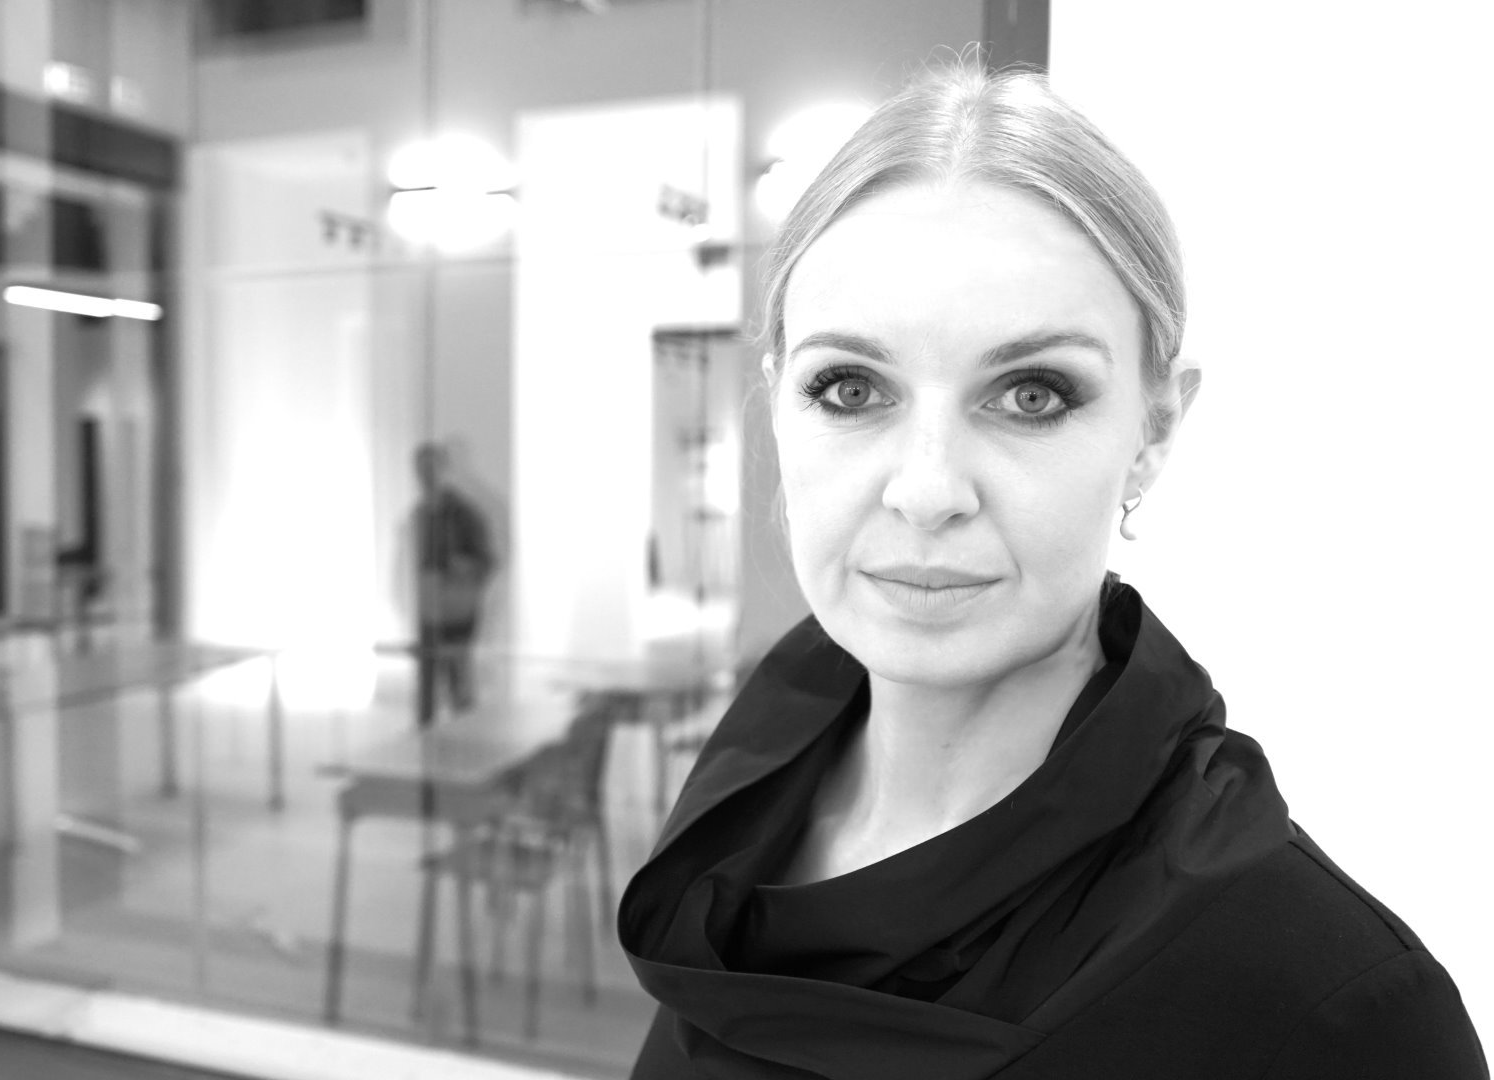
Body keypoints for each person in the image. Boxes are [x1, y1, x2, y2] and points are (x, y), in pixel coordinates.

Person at [617, 63, 1488, 1079]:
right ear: (777, 405)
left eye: (1031, 394)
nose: (927, 490)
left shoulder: (1329, 1003)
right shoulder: (726, 843)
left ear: (1155, 431)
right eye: (850, 389)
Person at [411, 441, 495, 725]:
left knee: (458, 680)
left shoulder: (465, 514)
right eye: (421, 469)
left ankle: (465, 737)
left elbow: (486, 561)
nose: (425, 476)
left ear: (443, 469)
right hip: (429, 606)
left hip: (456, 607)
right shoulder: (420, 513)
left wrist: (462, 566)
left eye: (431, 468)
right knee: (427, 683)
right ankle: (425, 740)